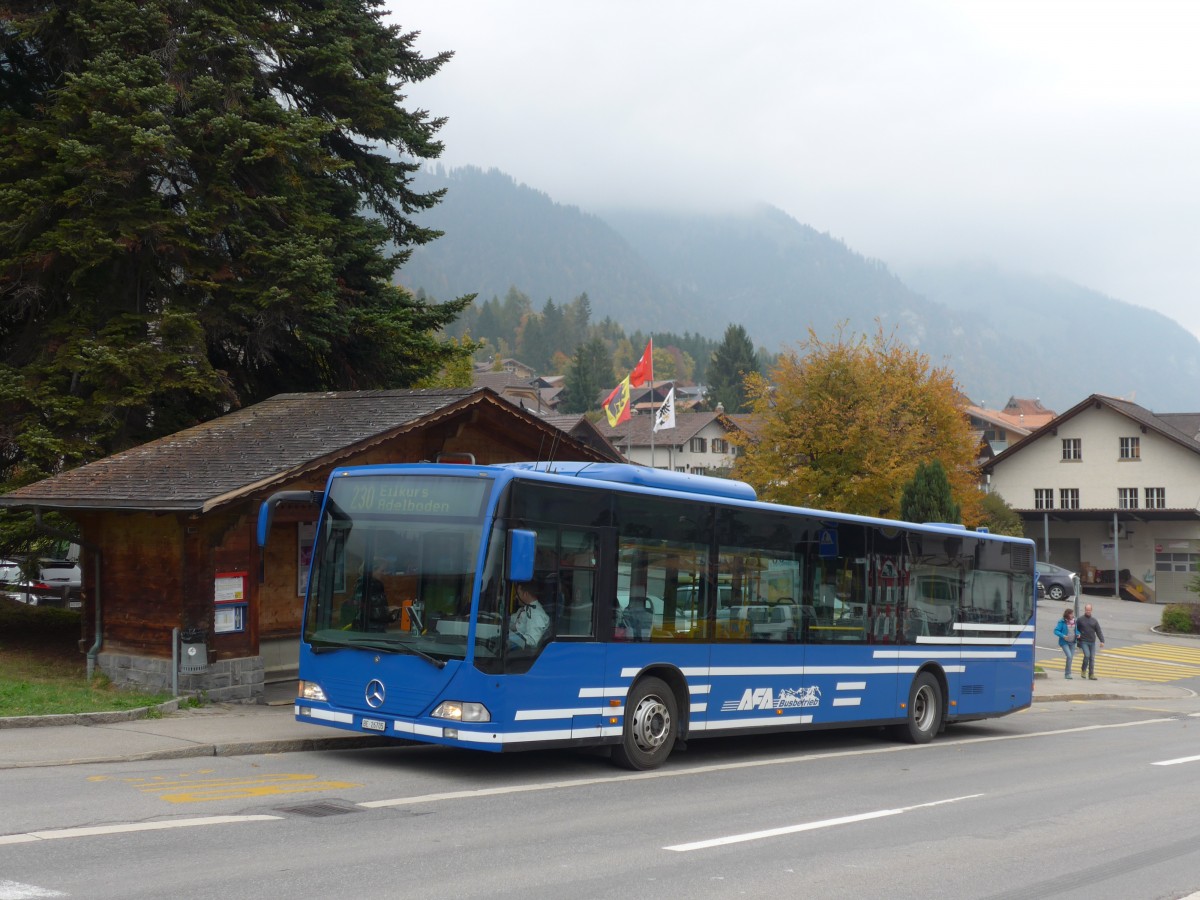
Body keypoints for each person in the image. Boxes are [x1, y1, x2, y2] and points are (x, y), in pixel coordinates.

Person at [509, 580, 550, 650]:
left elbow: (532, 642)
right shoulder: (526, 609)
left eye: (518, 593)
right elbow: (512, 621)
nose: (516, 597)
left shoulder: (536, 614)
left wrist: (510, 639)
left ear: (526, 594)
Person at [1076, 603, 1105, 680]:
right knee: (1087, 655)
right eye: (1087, 610)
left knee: (1092, 658)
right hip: (1083, 641)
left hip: (1092, 642)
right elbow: (1076, 629)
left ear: (1091, 610)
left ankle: (1091, 674)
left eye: (1089, 610)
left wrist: (1102, 641)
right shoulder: (1080, 619)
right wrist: (1077, 639)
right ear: (1084, 610)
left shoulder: (1094, 620)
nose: (1088, 611)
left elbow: (1098, 631)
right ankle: (1083, 670)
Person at [1053, 607, 1077, 679]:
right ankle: (1067, 674)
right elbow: (1056, 631)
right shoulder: (1062, 622)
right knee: (1069, 656)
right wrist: (1063, 636)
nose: (1072, 615)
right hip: (1064, 642)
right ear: (1067, 615)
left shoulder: (1074, 621)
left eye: (1073, 614)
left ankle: (1067, 672)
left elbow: (1077, 630)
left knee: (1071, 658)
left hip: (1072, 642)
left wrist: (1078, 634)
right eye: (1071, 614)